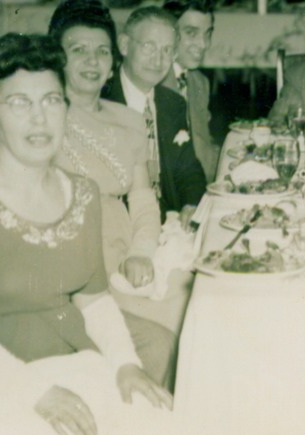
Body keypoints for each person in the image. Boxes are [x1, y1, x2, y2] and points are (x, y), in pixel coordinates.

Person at [0, 33, 171, 435]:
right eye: (19, 103)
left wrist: (125, 364)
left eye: (51, 100)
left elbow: (94, 297)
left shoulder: (81, 193)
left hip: (75, 364)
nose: (40, 118)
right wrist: (34, 391)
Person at [46, 0, 183, 391]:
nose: (93, 61)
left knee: (190, 307)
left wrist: (142, 250)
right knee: (166, 335)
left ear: (113, 59)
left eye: (102, 51)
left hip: (128, 252)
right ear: (59, 58)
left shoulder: (128, 119)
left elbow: (141, 198)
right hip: (79, 266)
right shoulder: (44, 119)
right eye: (79, 51)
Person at [103, 5, 206, 227]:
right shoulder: (103, 101)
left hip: (169, 223)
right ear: (124, 45)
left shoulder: (172, 103)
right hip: (122, 227)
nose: (158, 59)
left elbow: (188, 169)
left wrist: (191, 204)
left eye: (167, 50)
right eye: (149, 46)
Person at [162, 0, 219, 184]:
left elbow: (203, 145)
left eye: (207, 33)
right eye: (191, 33)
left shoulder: (198, 82)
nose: (203, 44)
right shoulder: (152, 80)